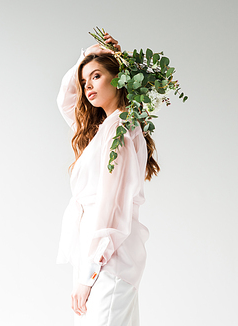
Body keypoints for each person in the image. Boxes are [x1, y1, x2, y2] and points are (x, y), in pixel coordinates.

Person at [56, 33, 159, 326]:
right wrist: (90, 53)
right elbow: (66, 100)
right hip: (97, 258)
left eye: (97, 76)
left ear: (119, 79)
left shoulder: (120, 130)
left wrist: (88, 274)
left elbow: (112, 207)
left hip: (107, 262)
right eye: (85, 80)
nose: (87, 85)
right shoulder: (106, 129)